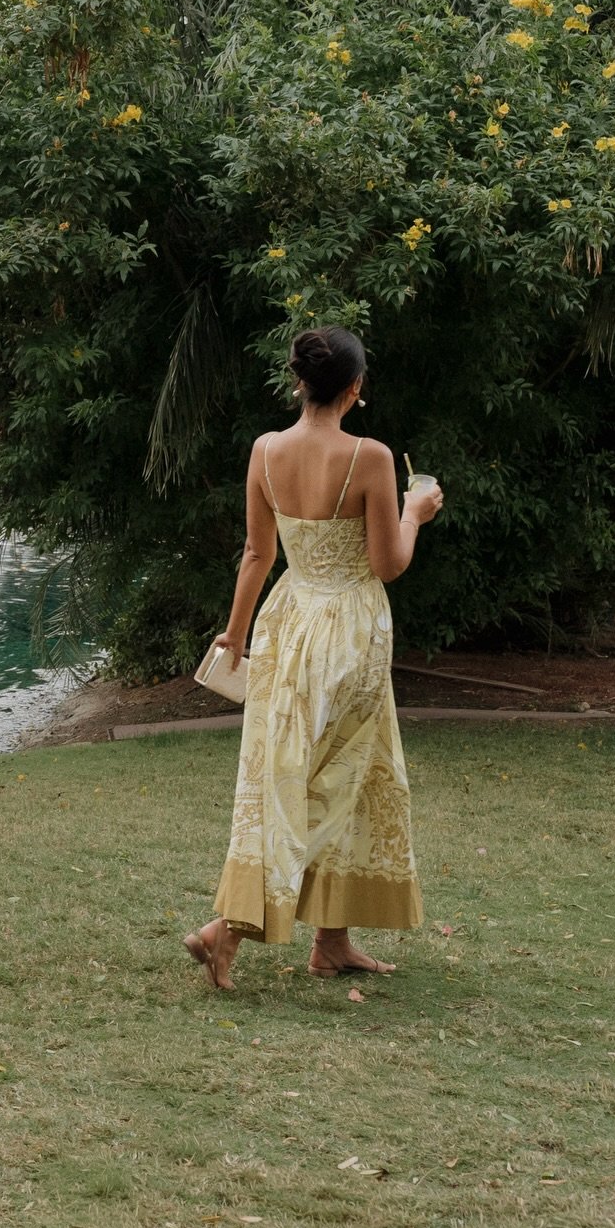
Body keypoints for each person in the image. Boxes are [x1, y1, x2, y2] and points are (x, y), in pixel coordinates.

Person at [183, 326, 442, 990]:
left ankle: (332, 941)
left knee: (307, 772)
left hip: (287, 621)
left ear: (298, 381)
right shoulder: (373, 457)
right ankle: (228, 930)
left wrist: (236, 634)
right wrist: (416, 512)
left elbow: (257, 554)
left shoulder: (266, 450)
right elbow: (387, 564)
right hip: (349, 629)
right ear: (354, 388)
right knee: (327, 781)